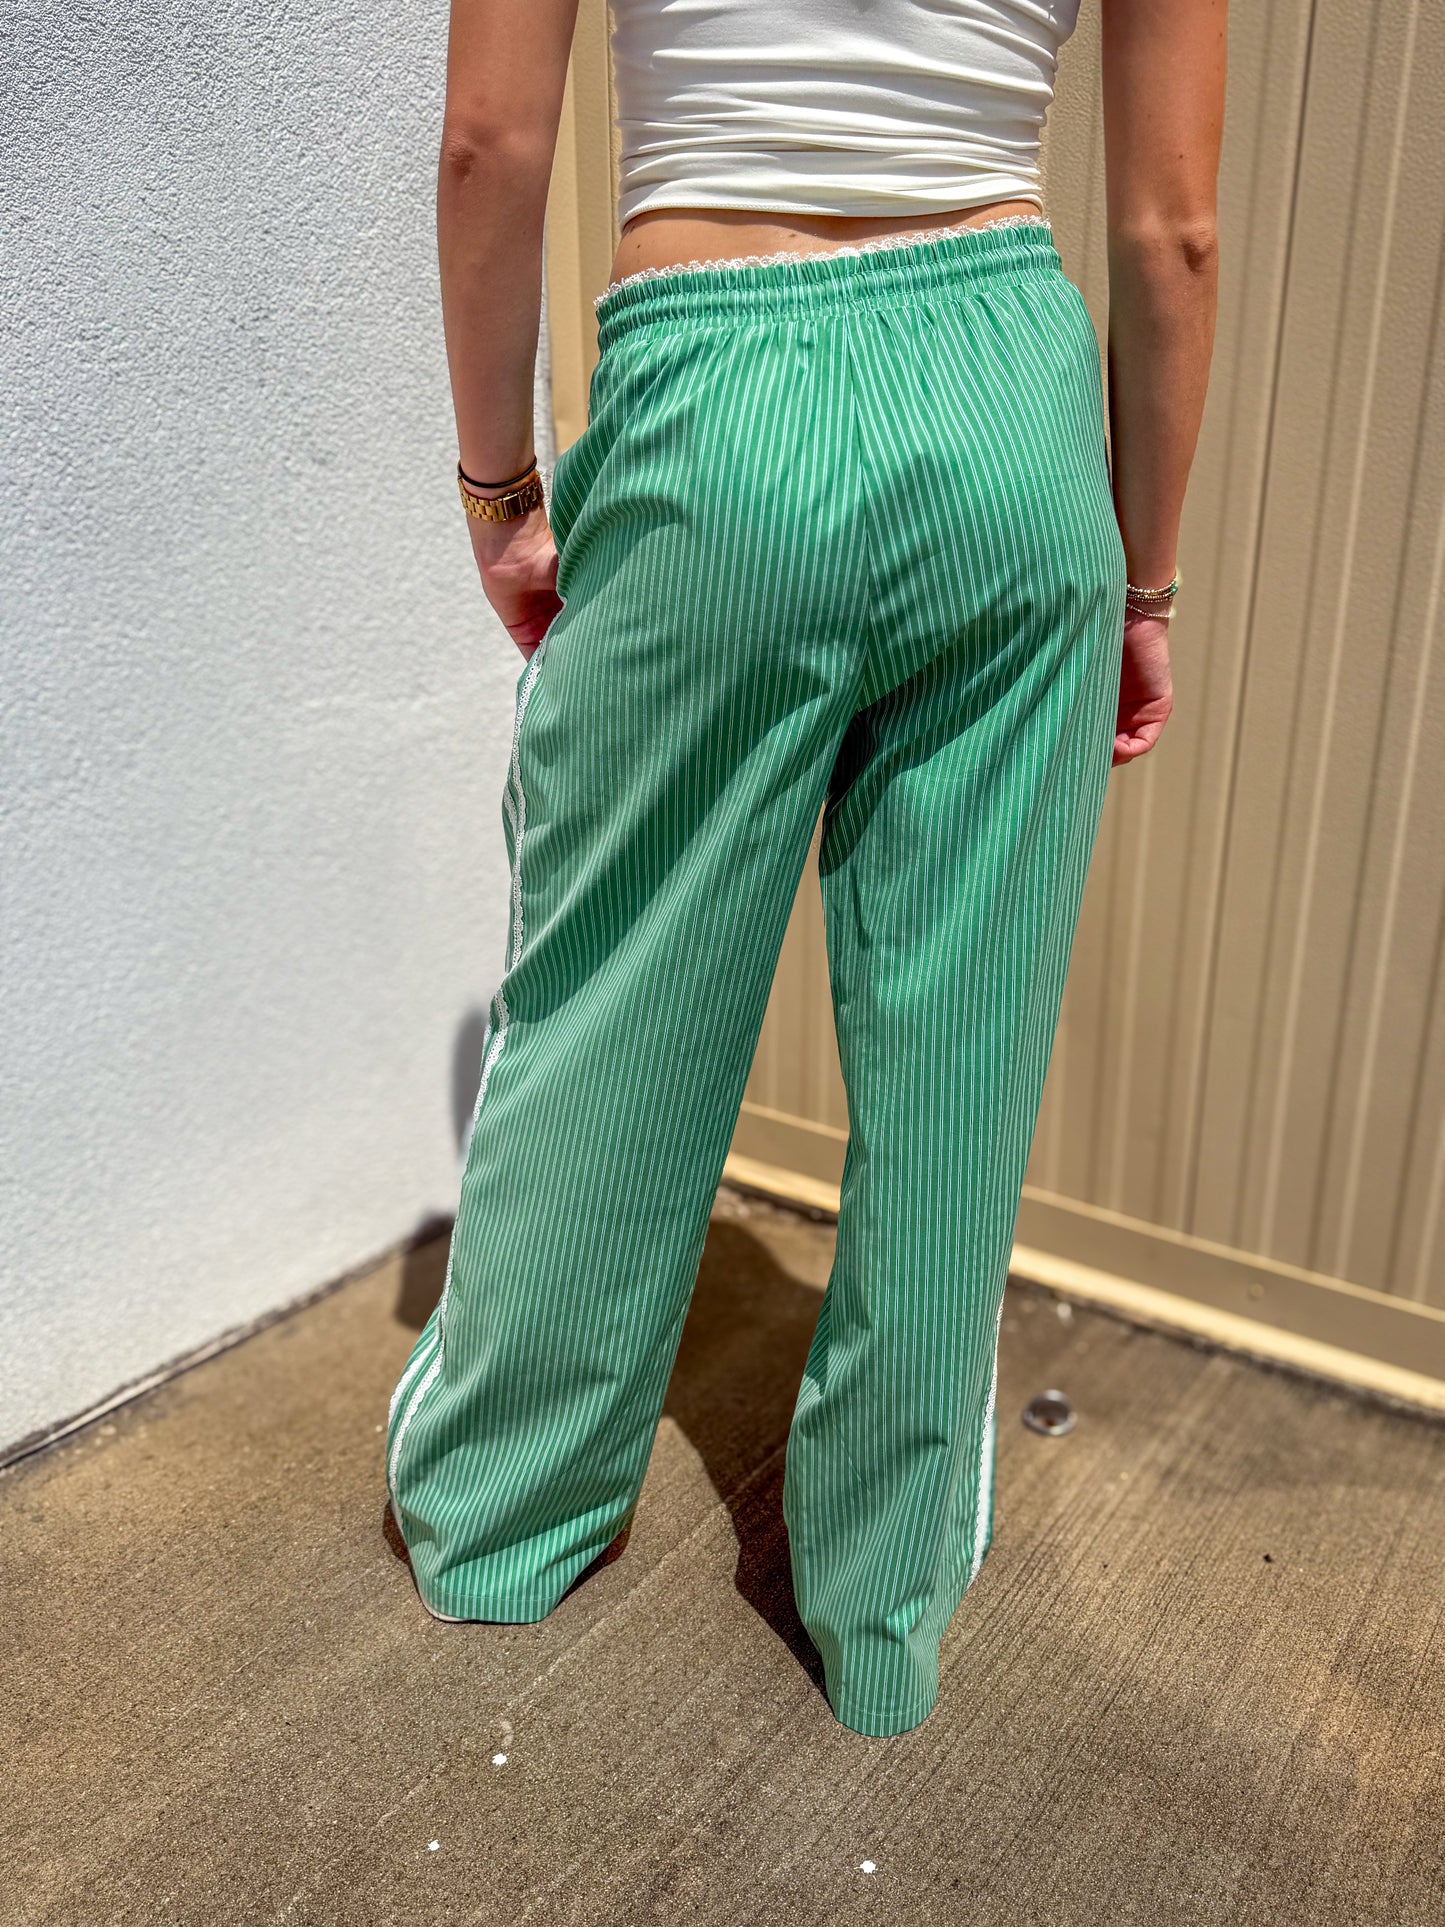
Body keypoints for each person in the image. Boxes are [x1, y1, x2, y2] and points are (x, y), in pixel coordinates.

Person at [387, 0, 1226, 1738]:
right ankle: (881, 1607)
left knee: (612, 991)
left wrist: (499, 491)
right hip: (1007, 416)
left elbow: (489, 144)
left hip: (714, 391)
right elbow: (1173, 231)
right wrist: (1142, 582)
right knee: (958, 1048)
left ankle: (501, 1521)